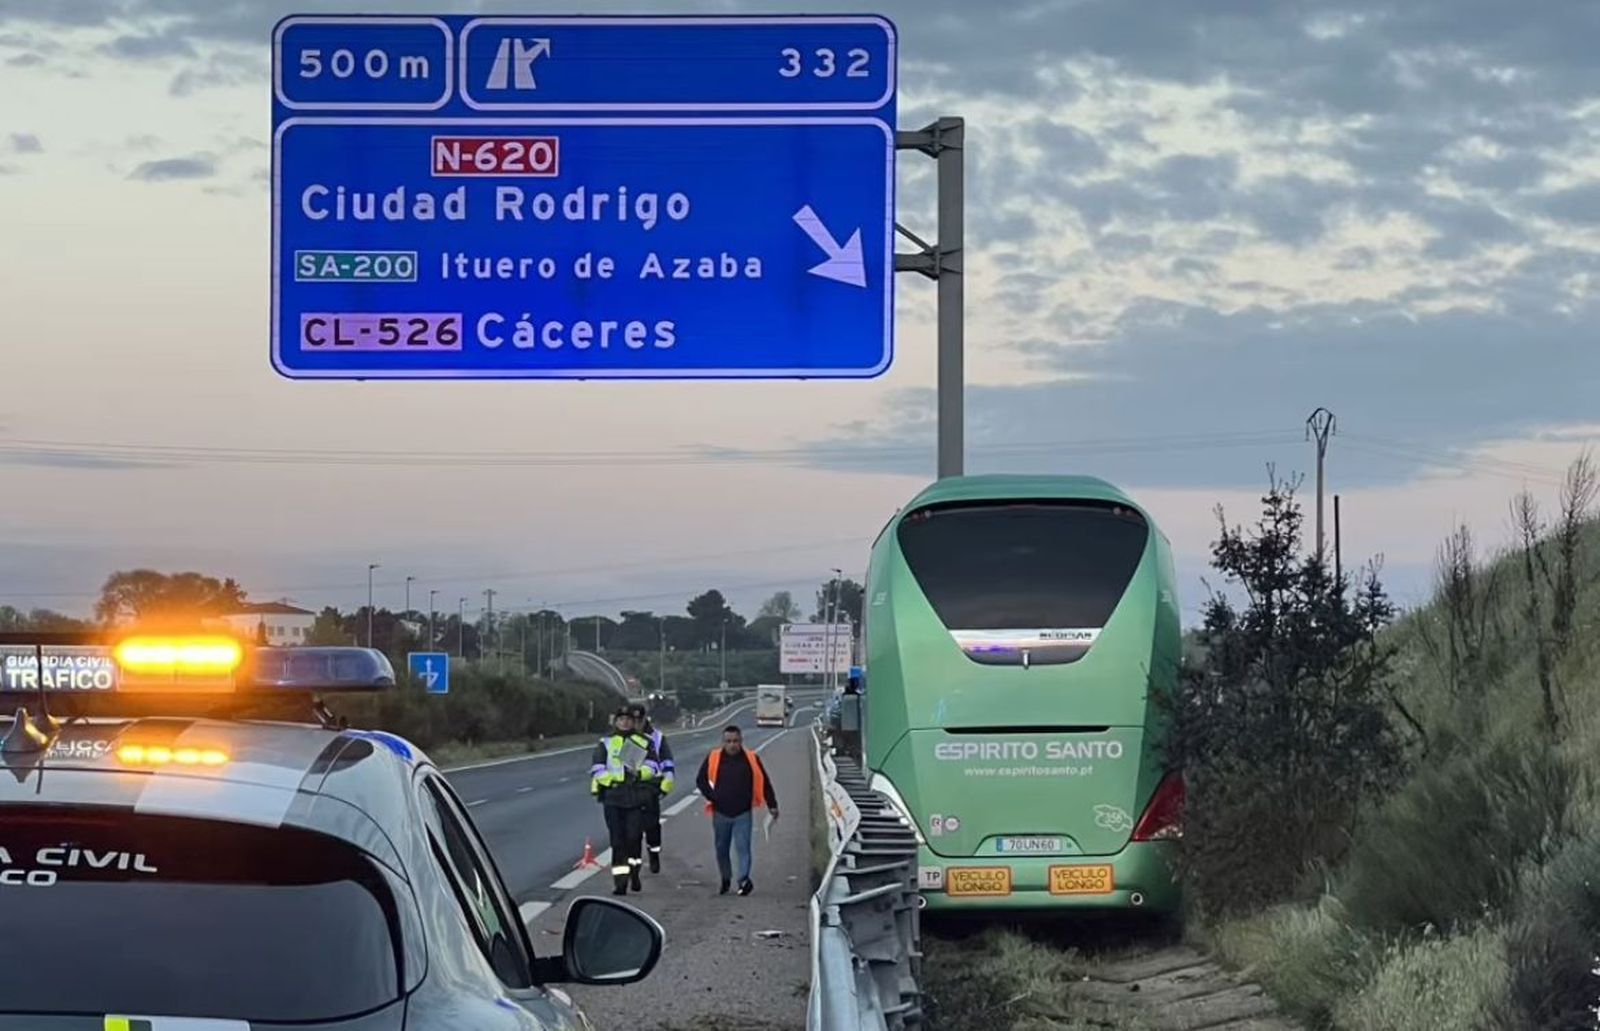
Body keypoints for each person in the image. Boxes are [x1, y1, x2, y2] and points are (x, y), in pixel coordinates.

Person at [695, 724, 778, 896]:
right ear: (723, 742)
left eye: (736, 741)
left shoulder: (751, 759)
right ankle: (726, 878)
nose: (732, 745)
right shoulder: (713, 757)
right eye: (729, 741)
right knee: (721, 849)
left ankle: (743, 880)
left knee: (743, 848)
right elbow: (700, 780)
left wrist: (772, 804)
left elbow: (765, 782)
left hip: (743, 812)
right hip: (720, 813)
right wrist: (712, 796)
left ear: (741, 741)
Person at [590, 706, 660, 895]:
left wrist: (640, 773)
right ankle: (620, 883)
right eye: (621, 719)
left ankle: (634, 873)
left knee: (633, 838)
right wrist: (613, 779)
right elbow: (597, 768)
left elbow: (653, 766)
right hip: (613, 798)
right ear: (616, 722)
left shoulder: (643, 742)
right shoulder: (606, 743)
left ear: (633, 722)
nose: (625, 722)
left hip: (635, 797)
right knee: (617, 841)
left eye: (628, 719)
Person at [629, 702, 675, 873]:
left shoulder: (657, 738)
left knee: (652, 827)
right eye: (631, 720)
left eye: (638, 720)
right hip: (629, 790)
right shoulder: (623, 737)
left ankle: (653, 852)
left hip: (650, 789)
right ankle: (634, 866)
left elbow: (667, 762)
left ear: (644, 720)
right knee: (632, 830)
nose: (635, 724)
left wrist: (665, 784)